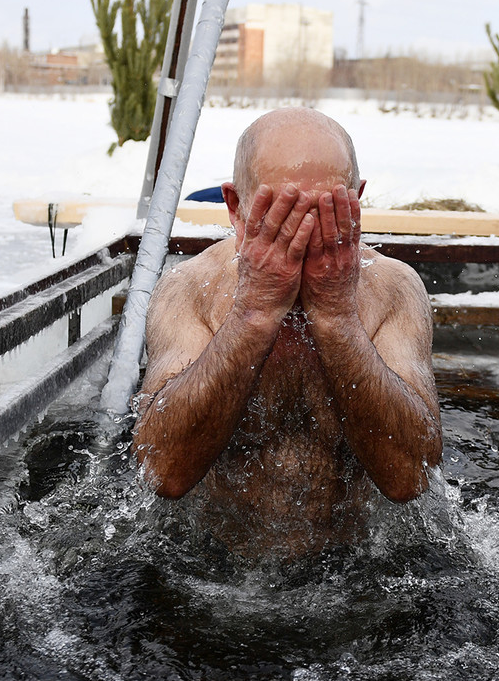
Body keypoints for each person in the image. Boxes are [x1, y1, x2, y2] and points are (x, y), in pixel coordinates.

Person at [130, 107, 442, 556]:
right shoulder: (190, 290)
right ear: (236, 208)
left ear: (358, 201)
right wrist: (253, 313)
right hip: (210, 565)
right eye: (282, 214)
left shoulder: (392, 288)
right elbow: (162, 471)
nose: (305, 235)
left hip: (356, 571)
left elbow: (411, 476)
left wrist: (338, 317)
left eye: (327, 212)